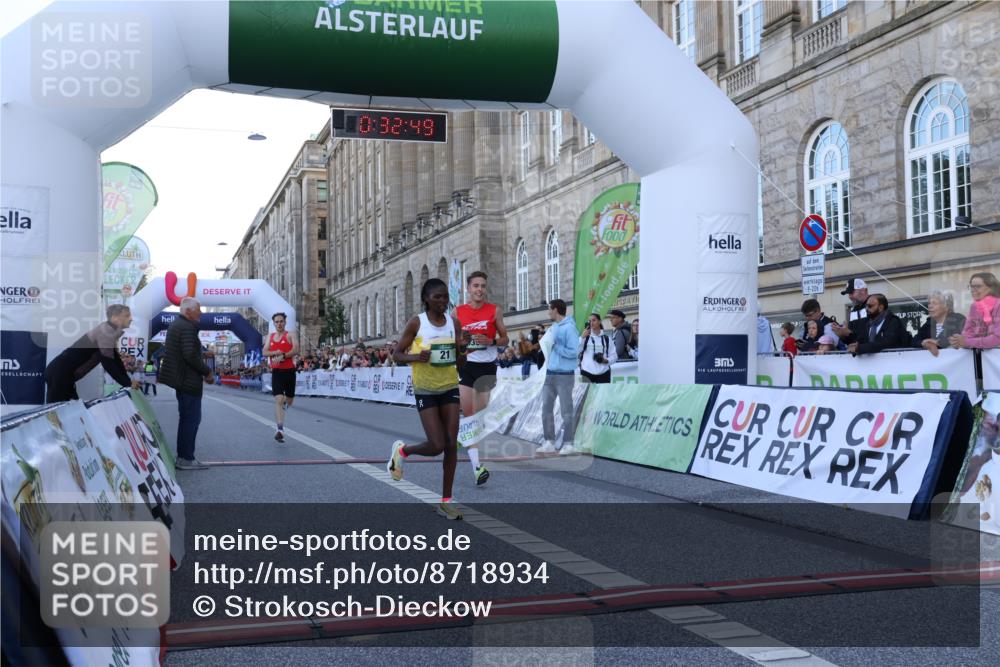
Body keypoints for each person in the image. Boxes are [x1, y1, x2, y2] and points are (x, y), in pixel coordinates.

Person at [386, 278, 468, 520]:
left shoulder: (454, 323)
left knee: (451, 444)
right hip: (425, 389)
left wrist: (463, 348)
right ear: (426, 299)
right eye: (437, 297)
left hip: (449, 386)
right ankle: (403, 451)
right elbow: (397, 355)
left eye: (445, 296)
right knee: (436, 445)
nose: (443, 301)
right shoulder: (417, 322)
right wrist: (416, 357)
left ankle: (446, 501)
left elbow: (460, 362)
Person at [455, 271, 508, 487]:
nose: (480, 289)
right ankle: (477, 467)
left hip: (487, 368)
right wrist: (462, 342)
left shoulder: (495, 310)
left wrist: (491, 341)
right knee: (469, 415)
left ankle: (463, 437)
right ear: (468, 289)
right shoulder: (458, 312)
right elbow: (453, 339)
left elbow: (505, 338)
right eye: (476, 286)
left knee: (480, 416)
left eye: (483, 286)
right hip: (467, 365)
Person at [156, 297, 215, 470]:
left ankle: (183, 456)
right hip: (188, 381)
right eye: (198, 309)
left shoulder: (177, 325)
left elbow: (184, 352)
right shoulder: (188, 327)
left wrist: (201, 356)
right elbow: (189, 354)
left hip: (181, 380)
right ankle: (186, 458)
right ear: (188, 311)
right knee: (191, 419)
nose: (201, 313)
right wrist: (207, 371)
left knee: (186, 418)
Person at [43, 304, 139, 403]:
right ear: (115, 318)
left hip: (62, 374)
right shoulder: (105, 331)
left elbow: (116, 360)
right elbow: (108, 362)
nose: (131, 319)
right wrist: (127, 383)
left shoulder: (108, 331)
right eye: (127, 316)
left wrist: (128, 381)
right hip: (59, 374)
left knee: (73, 409)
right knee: (57, 410)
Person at [537, 299, 581, 455]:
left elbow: (574, 352)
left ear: (555, 310)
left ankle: (569, 443)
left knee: (566, 410)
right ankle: (549, 441)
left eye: (549, 309)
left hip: (564, 375)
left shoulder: (570, 328)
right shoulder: (553, 328)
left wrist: (556, 346)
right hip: (550, 373)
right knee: (546, 409)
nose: (548, 312)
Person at [263, 312, 299, 443]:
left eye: (281, 321)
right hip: (277, 372)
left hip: (289, 372)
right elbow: (264, 351)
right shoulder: (271, 336)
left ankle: (284, 406)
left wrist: (283, 355)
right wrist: (275, 352)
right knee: (278, 399)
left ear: (285, 322)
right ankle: (280, 429)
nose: (279, 324)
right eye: (277, 322)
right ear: (274, 323)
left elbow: (296, 350)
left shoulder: (291, 335)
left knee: (289, 400)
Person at [950, 272, 1000, 351]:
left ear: (991, 288)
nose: (973, 290)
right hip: (980, 356)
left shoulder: (998, 305)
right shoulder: (974, 306)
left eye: (978, 286)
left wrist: (967, 342)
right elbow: (967, 333)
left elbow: (997, 339)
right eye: (971, 287)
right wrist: (957, 341)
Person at [913, 290, 966, 356]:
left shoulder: (958, 319)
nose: (930, 306)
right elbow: (914, 341)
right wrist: (923, 343)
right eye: (929, 303)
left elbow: (951, 339)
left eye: (934, 303)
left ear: (946, 306)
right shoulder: (928, 323)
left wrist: (937, 342)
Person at [579, 313, 616, 383]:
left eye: (594, 320)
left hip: (603, 373)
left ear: (599, 321)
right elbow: (576, 351)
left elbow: (614, 356)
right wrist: (582, 338)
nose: (591, 323)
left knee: (603, 391)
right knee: (587, 391)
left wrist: (606, 360)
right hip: (586, 372)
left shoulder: (607, 339)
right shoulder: (585, 338)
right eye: (589, 321)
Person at [831, 277, 869, 343]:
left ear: (863, 290)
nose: (850, 296)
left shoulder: (874, 306)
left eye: (852, 293)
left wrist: (849, 333)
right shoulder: (853, 311)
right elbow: (851, 339)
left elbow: (873, 334)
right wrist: (842, 334)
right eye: (849, 294)